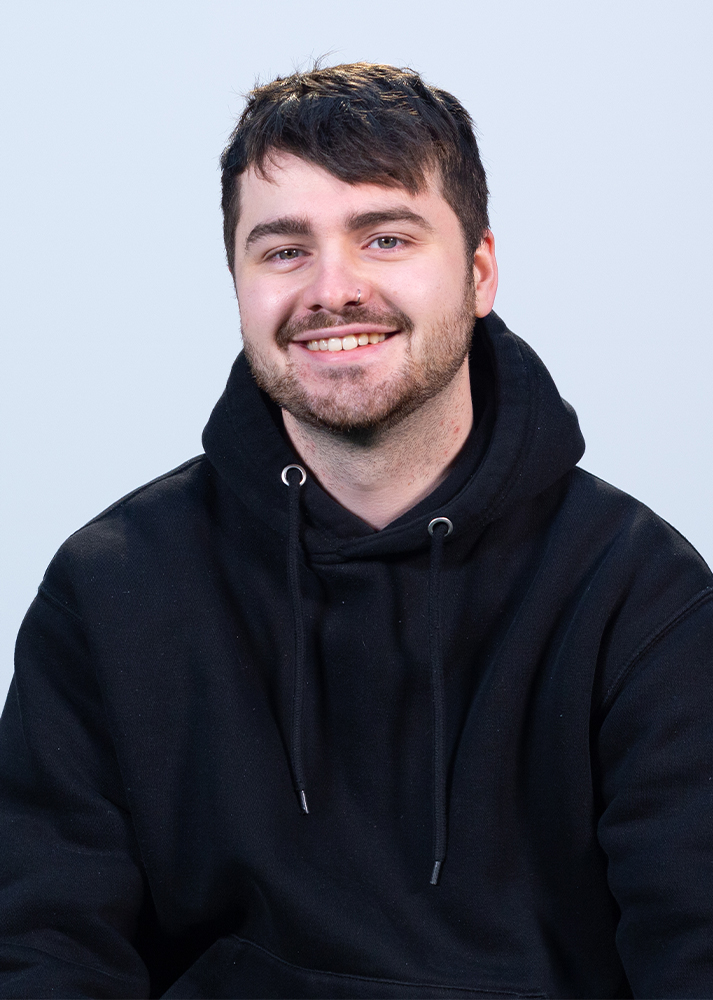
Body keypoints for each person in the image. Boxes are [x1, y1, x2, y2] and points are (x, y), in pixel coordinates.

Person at [1, 62, 712, 1000]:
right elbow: (43, 951)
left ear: (479, 272)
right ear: (239, 282)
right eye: (283, 249)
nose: (333, 290)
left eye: (383, 237)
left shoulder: (640, 593)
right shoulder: (111, 589)